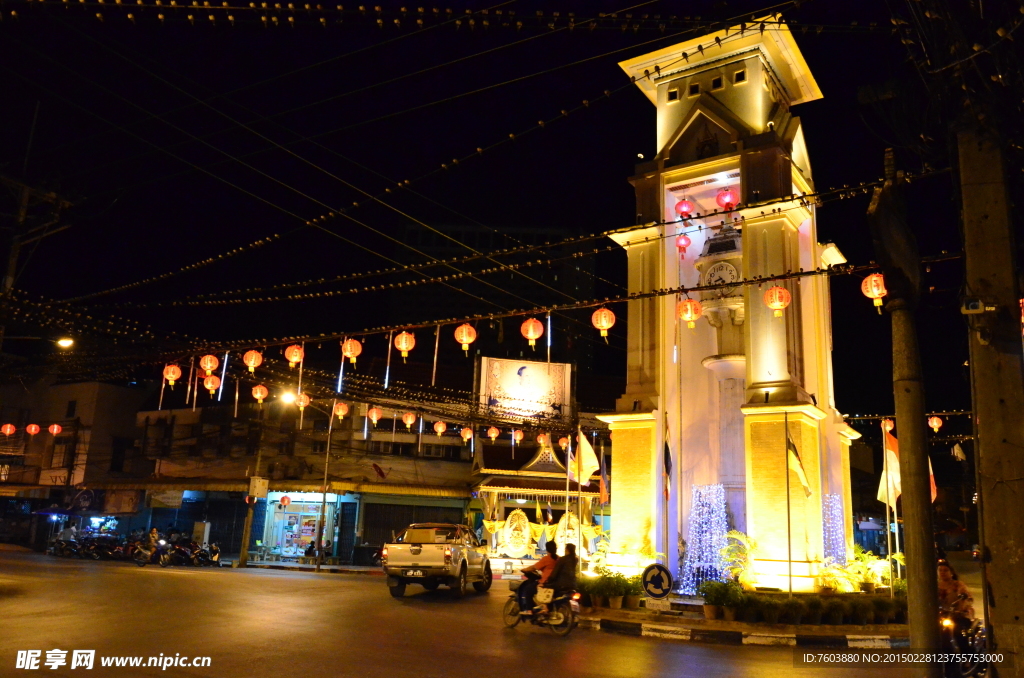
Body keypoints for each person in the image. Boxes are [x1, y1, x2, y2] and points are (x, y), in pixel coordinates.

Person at [518, 541, 558, 615]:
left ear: (547, 549)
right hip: (556, 582)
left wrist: (525, 569)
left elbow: (534, 567)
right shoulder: (559, 559)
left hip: (546, 582)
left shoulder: (546, 559)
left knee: (528, 590)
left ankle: (529, 610)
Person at [539, 543, 578, 616]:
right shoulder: (575, 559)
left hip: (561, 584)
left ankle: (546, 608)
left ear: (567, 550)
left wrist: (548, 580)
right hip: (573, 584)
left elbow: (555, 572)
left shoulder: (563, 559)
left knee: (544, 588)